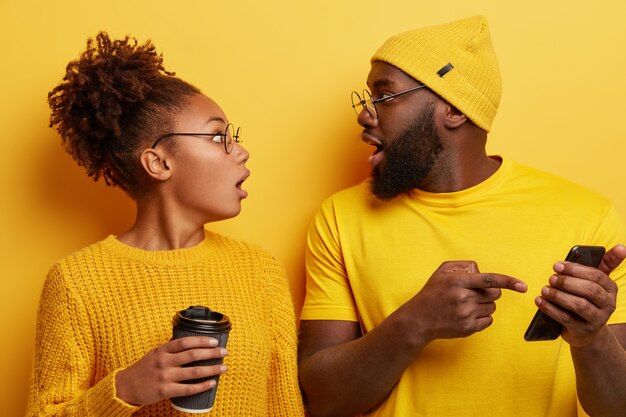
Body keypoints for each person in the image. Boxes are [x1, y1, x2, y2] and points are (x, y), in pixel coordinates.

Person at [298, 15, 626, 417]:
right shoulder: (339, 218)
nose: (366, 114)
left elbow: (617, 407)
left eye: (384, 96)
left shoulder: (586, 215)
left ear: (453, 108)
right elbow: (320, 401)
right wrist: (414, 323)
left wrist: (591, 339)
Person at [26, 32, 304, 417]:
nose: (240, 151)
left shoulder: (260, 271)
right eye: (217, 136)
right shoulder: (77, 282)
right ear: (158, 163)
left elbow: (283, 406)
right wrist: (126, 389)